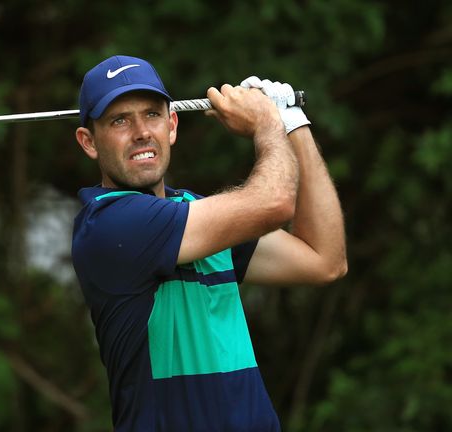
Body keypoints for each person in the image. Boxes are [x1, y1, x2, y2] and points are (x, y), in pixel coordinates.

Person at [71, 55, 347, 431]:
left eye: (151, 114)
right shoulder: (109, 224)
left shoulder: (196, 215)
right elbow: (276, 202)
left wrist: (295, 124)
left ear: (172, 126)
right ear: (89, 142)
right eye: (119, 120)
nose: (141, 132)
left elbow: (325, 260)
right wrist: (268, 123)